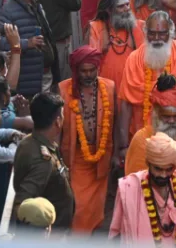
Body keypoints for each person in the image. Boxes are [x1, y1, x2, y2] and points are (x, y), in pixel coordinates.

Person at [124, 73, 176, 240]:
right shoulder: (142, 140)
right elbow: (135, 189)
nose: (171, 121)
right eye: (165, 116)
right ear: (155, 113)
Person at [118, 12, 176, 143]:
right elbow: (126, 104)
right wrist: (123, 146)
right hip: (147, 139)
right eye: (152, 33)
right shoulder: (134, 60)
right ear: (145, 32)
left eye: (162, 33)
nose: (156, 38)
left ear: (171, 32)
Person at [57, 46, 115, 234]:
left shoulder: (109, 87)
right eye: (84, 71)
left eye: (92, 70)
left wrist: (119, 149)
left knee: (97, 207)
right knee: (79, 205)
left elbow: (118, 118)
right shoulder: (63, 90)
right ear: (76, 70)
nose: (88, 75)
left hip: (101, 157)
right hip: (76, 158)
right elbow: (57, 125)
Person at [110, 132, 176, 243]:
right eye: (158, 169)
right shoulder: (129, 186)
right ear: (148, 163)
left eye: (168, 169)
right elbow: (116, 232)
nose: (163, 175)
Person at [13, 93, 74, 230]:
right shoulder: (43, 161)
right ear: (58, 121)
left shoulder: (30, 141)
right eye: (62, 115)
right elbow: (23, 203)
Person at [0, 0, 58, 96]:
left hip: (42, 75)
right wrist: (26, 43)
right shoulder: (7, 13)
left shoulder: (36, 6)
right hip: (25, 80)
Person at [87, 0, 145, 88]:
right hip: (107, 86)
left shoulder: (140, 26)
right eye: (121, 6)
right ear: (109, 10)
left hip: (135, 85)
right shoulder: (96, 27)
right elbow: (91, 62)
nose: (126, 8)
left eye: (127, 4)